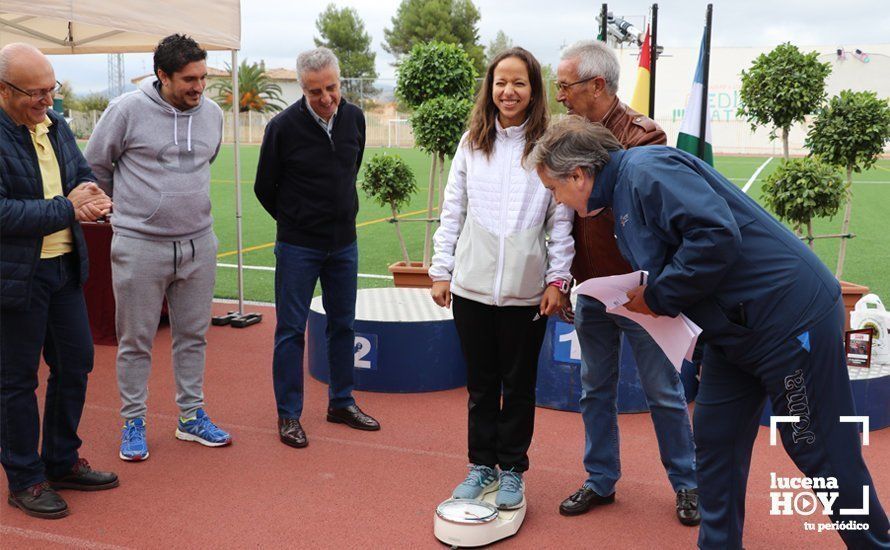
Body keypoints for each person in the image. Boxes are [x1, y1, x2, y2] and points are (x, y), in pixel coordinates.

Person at [530, 116, 890, 549]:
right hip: (734, 332)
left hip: (789, 321)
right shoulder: (624, 189)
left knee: (819, 448)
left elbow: (716, 235)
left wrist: (658, 296)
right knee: (715, 439)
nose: (558, 200)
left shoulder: (645, 171)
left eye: (554, 188)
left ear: (579, 174)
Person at [553, 40, 699, 524]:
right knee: (595, 389)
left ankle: (688, 484)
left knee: (663, 392)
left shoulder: (645, 137)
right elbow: (567, 216)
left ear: (597, 85)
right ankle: (600, 480)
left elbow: (632, 205)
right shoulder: (566, 136)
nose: (559, 98)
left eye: (565, 87)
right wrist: (568, 279)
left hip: (641, 292)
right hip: (592, 289)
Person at [429, 47, 574, 510]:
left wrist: (557, 280)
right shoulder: (473, 141)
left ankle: (512, 471)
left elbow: (562, 220)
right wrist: (440, 270)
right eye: (500, 83)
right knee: (481, 386)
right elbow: (453, 210)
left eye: (519, 83)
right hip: (471, 288)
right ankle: (480, 467)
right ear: (489, 89)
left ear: (534, 90)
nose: (508, 92)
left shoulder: (549, 146)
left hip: (526, 294)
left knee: (519, 387)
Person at [85, 34, 231, 461]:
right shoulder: (125, 111)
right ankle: (133, 421)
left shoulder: (214, 115)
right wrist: (129, 214)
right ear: (162, 75)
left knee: (193, 336)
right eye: (189, 79)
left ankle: (191, 417)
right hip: (139, 245)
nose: (199, 87)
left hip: (199, 244)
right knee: (136, 340)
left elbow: (205, 162)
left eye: (203, 78)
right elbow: (96, 166)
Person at [0, 43, 119, 519]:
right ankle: (25, 479)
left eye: (52, 90)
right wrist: (68, 207)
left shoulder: (57, 126)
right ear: (4, 91)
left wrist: (90, 197)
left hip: (65, 269)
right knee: (16, 382)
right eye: (36, 93)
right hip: (16, 279)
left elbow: (84, 177)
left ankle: (61, 461)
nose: (47, 101)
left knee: (76, 364)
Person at [254, 47, 378, 449]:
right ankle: (289, 415)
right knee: (291, 331)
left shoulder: (355, 118)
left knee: (344, 325)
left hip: (344, 244)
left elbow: (350, 168)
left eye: (331, 88)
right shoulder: (282, 128)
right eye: (314, 92)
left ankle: (341, 402)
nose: (326, 99)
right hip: (297, 247)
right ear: (302, 90)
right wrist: (297, 220)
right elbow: (264, 187)